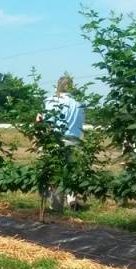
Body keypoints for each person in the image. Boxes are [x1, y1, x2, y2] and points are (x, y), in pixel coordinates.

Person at [39, 75, 85, 211]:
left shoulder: (51, 101)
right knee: (70, 171)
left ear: (57, 86)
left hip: (56, 139)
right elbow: (81, 124)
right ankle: (72, 199)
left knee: (55, 172)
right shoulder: (79, 104)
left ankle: (56, 206)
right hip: (74, 140)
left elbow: (47, 121)